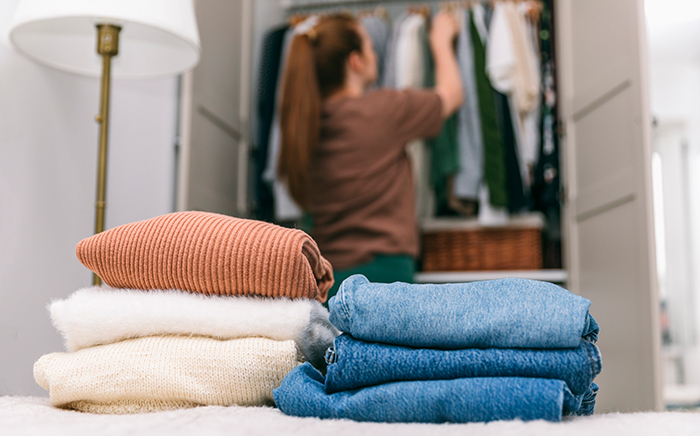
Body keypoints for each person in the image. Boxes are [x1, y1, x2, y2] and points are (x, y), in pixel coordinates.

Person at [278, 12, 464, 302]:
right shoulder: (384, 110)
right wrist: (440, 40)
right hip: (386, 278)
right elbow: (451, 95)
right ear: (356, 61)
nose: (375, 52)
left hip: (326, 282)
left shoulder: (303, 126)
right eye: (368, 45)